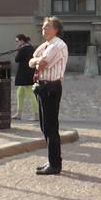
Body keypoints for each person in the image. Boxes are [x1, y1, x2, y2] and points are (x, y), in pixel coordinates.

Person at [30, 15, 69, 175]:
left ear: (56, 30)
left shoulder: (58, 45)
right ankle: (52, 160)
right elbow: (31, 60)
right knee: (44, 126)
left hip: (51, 87)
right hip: (42, 86)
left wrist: (37, 62)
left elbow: (42, 63)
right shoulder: (47, 44)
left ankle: (55, 164)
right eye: (43, 27)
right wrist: (36, 61)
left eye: (47, 27)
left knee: (51, 126)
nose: (43, 30)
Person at [12, 33, 36, 122]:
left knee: (31, 94)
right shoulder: (31, 47)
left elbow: (17, 59)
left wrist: (19, 50)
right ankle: (19, 113)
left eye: (17, 41)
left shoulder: (23, 49)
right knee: (20, 93)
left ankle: (36, 114)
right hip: (29, 73)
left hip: (24, 75)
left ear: (22, 40)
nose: (16, 43)